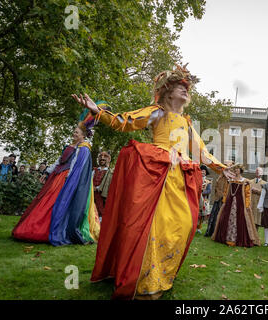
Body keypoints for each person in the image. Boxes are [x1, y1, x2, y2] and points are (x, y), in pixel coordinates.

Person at [73, 64, 234, 300]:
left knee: (182, 224)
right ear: (168, 91)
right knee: (154, 224)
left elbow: (200, 152)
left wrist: (221, 168)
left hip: (179, 174)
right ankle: (147, 280)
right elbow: (125, 121)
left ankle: (161, 271)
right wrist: (98, 111)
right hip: (155, 171)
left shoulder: (187, 122)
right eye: (181, 86)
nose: (185, 91)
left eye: (186, 88)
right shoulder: (157, 111)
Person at [12, 120, 100, 246]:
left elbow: (76, 165)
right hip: (56, 177)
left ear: (83, 135)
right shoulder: (69, 146)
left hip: (65, 179)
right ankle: (33, 228)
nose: (74, 134)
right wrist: (47, 172)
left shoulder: (83, 148)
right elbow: (59, 161)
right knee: (45, 201)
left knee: (54, 203)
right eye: (74, 131)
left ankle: (47, 230)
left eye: (76, 132)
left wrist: (69, 178)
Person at [212, 164, 260, 247]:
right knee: (226, 218)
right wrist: (224, 200)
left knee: (240, 219)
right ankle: (227, 238)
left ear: (241, 170)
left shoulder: (245, 181)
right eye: (235, 169)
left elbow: (248, 194)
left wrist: (247, 204)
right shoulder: (230, 180)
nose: (236, 170)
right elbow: (226, 191)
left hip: (240, 204)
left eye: (238, 169)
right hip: (229, 202)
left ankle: (237, 239)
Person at [205, 160, 233, 237]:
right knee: (214, 216)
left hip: (224, 200)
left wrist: (224, 196)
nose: (225, 168)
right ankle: (211, 231)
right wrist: (218, 195)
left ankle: (218, 233)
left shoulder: (230, 178)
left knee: (221, 217)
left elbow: (229, 189)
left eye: (227, 166)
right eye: (224, 166)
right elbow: (216, 188)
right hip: (218, 199)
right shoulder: (220, 176)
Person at [92, 151, 113, 218]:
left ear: (109, 159)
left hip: (103, 198)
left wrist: (98, 188)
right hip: (91, 196)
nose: (102, 158)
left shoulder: (111, 173)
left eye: (105, 156)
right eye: (100, 156)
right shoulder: (94, 170)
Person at [249, 167, 267, 231]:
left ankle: (255, 235)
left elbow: (265, 194)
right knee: (249, 220)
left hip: (258, 203)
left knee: (256, 220)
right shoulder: (250, 182)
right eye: (256, 171)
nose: (257, 172)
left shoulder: (265, 184)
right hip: (251, 203)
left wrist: (257, 191)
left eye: (259, 171)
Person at [197, 165, 212, 234]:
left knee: (201, 214)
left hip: (203, 200)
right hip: (196, 198)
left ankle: (199, 227)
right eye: (201, 171)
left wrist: (202, 192)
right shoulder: (196, 179)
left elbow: (209, 190)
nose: (202, 172)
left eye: (203, 171)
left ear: (206, 173)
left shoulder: (208, 182)